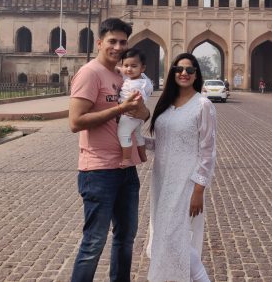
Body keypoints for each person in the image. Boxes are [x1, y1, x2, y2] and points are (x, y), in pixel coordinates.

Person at [68, 17, 150, 282]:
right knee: (94, 242)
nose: (117, 47)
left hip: (126, 169)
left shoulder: (121, 75)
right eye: (112, 41)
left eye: (122, 42)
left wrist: (142, 112)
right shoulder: (90, 73)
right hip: (99, 170)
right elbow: (75, 122)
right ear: (100, 42)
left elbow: (141, 114)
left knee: (125, 238)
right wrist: (120, 109)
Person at [143, 53, 217, 282]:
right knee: (163, 236)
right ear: (172, 72)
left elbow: (207, 151)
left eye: (189, 70)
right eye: (179, 69)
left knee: (176, 238)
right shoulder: (166, 105)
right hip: (162, 180)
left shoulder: (203, 105)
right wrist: (138, 140)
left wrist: (199, 189)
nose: (184, 73)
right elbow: (163, 143)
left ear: (196, 75)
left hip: (186, 182)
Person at [118, 48, 153, 167]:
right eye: (126, 66)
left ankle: (127, 158)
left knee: (123, 133)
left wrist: (130, 105)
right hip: (137, 117)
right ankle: (143, 155)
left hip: (130, 114)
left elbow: (139, 100)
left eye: (133, 66)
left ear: (142, 68)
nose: (129, 69)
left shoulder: (136, 84)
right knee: (137, 135)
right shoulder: (141, 79)